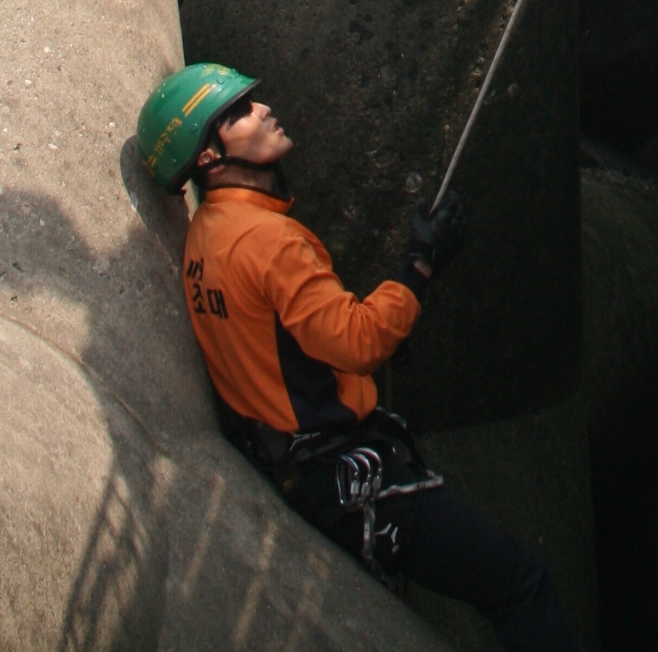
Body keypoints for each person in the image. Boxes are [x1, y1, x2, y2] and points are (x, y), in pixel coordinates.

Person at [138, 64, 575, 650]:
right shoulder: (270, 242)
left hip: (292, 466)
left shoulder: (205, 236)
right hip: (339, 475)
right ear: (210, 157)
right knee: (522, 586)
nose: (263, 109)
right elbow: (359, 341)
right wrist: (420, 266)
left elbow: (279, 340)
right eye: (238, 112)